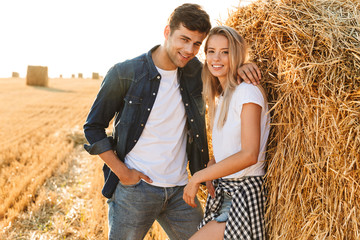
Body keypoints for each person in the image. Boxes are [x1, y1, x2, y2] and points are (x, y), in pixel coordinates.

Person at [83, 4, 261, 240]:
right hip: (135, 190)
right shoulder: (125, 72)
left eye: (197, 44)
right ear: (167, 32)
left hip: (180, 191)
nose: (189, 50)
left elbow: (227, 79)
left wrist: (243, 67)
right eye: (184, 39)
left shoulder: (196, 72)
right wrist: (123, 173)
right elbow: (93, 127)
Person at [183, 26, 270, 240]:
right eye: (211, 51)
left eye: (225, 51)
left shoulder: (247, 91)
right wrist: (213, 167)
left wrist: (198, 177)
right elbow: (231, 147)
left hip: (243, 196)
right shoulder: (221, 98)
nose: (216, 58)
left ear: (237, 55)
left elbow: (249, 154)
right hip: (226, 193)